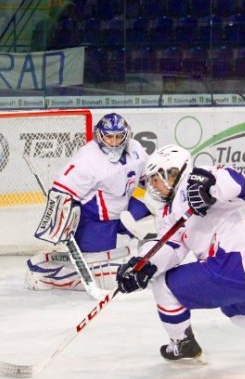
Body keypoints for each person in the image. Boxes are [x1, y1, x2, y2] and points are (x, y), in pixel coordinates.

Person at [115, 145, 245, 362]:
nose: (153, 186)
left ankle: (182, 343)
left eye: (156, 179)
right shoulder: (169, 212)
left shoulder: (196, 179)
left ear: (173, 173)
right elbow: (172, 247)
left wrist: (209, 188)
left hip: (231, 264)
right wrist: (144, 265)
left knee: (164, 286)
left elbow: (242, 187)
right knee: (242, 314)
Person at [26, 113, 151, 292]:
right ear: (99, 135)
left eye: (119, 137)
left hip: (126, 210)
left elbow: (148, 179)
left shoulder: (135, 149)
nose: (114, 142)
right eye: (109, 136)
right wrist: (60, 223)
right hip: (96, 220)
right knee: (99, 272)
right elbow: (62, 191)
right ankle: (46, 275)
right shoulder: (88, 159)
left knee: (158, 220)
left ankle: (150, 266)